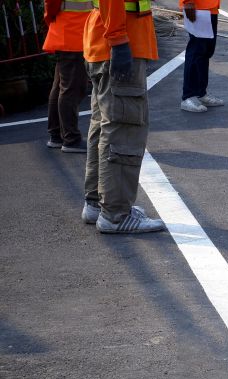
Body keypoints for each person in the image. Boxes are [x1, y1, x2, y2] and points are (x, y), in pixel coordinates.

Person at [81, 0, 165, 233]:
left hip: (103, 40)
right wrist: (118, 40)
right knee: (123, 128)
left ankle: (98, 204)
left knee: (104, 127)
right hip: (119, 40)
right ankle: (115, 214)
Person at [43, 0, 92, 153]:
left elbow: (50, 7)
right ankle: (71, 139)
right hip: (73, 34)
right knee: (72, 87)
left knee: (61, 86)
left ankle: (57, 135)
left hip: (69, 31)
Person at [179, 0, 224, 112]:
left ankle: (200, 93)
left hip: (210, 8)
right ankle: (188, 96)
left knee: (206, 52)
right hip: (197, 7)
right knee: (196, 51)